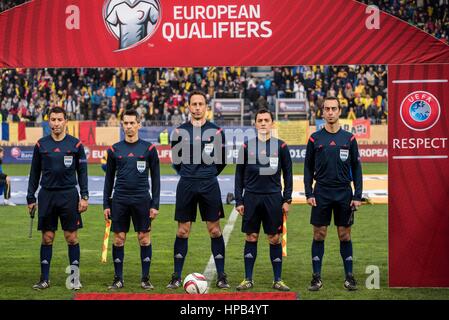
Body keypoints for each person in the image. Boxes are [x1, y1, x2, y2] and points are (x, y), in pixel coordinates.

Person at [167, 90, 229, 290]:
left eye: (200, 104)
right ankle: (176, 276)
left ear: (206, 107)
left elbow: (221, 162)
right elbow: (176, 162)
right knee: (183, 231)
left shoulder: (217, 132)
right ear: (189, 107)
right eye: (193, 104)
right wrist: (189, 172)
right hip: (186, 183)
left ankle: (221, 276)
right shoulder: (178, 132)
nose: (197, 107)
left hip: (209, 184)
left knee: (214, 230)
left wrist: (207, 173)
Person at [304, 97, 363, 291]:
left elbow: (357, 167)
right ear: (322, 112)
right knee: (319, 234)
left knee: (344, 234)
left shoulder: (349, 138)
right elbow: (307, 168)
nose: (330, 112)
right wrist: (308, 192)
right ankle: (316, 277)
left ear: (339, 111)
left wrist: (357, 195)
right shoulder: (315, 138)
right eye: (327, 109)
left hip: (344, 192)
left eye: (334, 109)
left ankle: (349, 276)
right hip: (321, 191)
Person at [26, 107, 89, 290]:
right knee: (47, 238)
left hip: (69, 195)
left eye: (59, 119)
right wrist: (31, 197)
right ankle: (44, 279)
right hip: (47, 195)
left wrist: (84, 196)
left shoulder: (76, 145)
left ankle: (74, 279)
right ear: (49, 122)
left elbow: (83, 172)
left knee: (71, 237)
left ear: (66, 121)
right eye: (52, 120)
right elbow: (34, 173)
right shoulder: (41, 145)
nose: (56, 123)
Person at [234, 109, 293, 292]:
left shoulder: (281, 147)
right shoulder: (246, 147)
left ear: (272, 123)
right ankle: (248, 279)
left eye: (266, 120)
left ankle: (277, 279)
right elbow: (238, 175)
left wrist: (287, 199)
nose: (263, 123)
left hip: (273, 198)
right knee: (251, 236)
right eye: (260, 120)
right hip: (251, 197)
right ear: (255, 124)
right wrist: (239, 200)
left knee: (274, 239)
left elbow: (289, 174)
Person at [103, 109, 160, 290]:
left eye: (132, 123)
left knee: (144, 239)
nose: (129, 126)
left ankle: (145, 278)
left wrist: (155, 204)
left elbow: (156, 179)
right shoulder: (114, 149)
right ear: (122, 125)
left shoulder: (149, 149)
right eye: (125, 123)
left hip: (142, 199)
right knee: (119, 239)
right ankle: (118, 279)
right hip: (120, 199)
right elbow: (108, 179)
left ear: (138, 125)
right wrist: (106, 203)